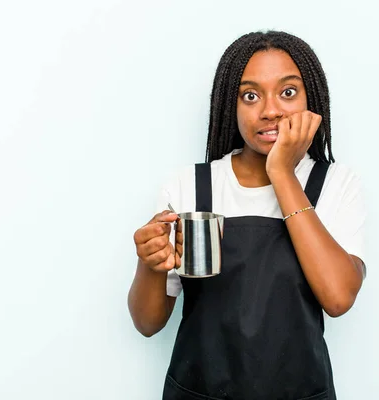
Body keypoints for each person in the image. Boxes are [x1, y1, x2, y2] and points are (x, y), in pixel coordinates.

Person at [128, 30, 366, 400]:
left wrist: (282, 172)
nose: (270, 110)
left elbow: (338, 298)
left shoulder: (335, 183)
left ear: (312, 99)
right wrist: (150, 264)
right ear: (230, 106)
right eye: (250, 95)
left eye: (288, 92)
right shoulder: (190, 185)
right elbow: (146, 323)